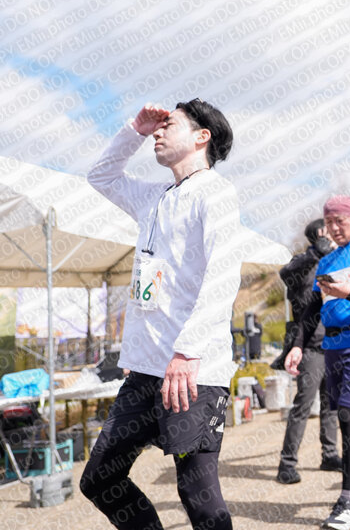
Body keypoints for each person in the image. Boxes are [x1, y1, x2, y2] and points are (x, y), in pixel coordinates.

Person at [81, 100, 240, 529]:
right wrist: (133, 129)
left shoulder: (215, 193)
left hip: (192, 371)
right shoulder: (154, 197)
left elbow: (223, 277)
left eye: (170, 125)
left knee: (198, 496)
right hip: (145, 373)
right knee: (100, 479)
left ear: (202, 136)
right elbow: (101, 176)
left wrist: (187, 352)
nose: (158, 132)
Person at [283, 196, 350, 529]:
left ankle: (346, 500)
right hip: (332, 347)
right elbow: (312, 308)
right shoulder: (327, 260)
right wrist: (297, 346)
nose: (334, 228)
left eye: (339, 221)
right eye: (329, 222)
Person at [275, 219, 341, 484]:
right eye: (328, 231)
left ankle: (330, 455)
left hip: (333, 344)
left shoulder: (333, 263)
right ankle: (286, 464)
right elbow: (285, 273)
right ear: (318, 235)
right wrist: (315, 252)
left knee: (331, 405)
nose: (334, 234)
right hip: (309, 347)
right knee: (302, 405)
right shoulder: (302, 264)